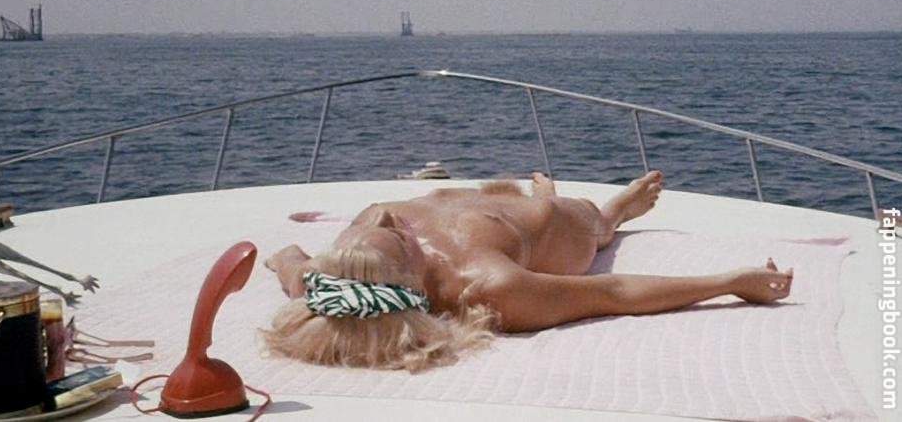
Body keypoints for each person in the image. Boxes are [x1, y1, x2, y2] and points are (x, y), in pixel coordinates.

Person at [263, 171, 794, 372]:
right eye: (395, 233)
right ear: (409, 278)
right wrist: (729, 283)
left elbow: (285, 257)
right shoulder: (489, 284)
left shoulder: (332, 279)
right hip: (545, 229)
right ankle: (611, 214)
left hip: (466, 201)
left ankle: (537, 195)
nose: (382, 214)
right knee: (579, 221)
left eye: (369, 227)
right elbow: (612, 292)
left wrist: (289, 262)